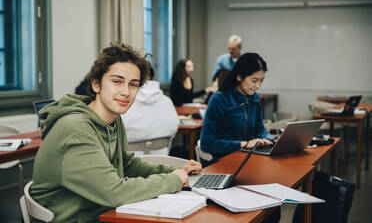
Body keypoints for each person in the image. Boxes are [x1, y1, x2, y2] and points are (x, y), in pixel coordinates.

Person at [30, 42, 201, 223]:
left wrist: (175, 171)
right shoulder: (76, 129)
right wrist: (173, 180)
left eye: (133, 85)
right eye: (117, 81)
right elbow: (115, 192)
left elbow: (126, 164)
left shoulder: (113, 119)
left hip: (100, 212)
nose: (126, 92)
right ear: (96, 85)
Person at [200, 52, 276, 166]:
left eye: (261, 80)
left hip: (246, 160)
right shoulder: (219, 99)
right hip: (221, 163)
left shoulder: (254, 98)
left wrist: (275, 140)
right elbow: (207, 143)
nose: (258, 86)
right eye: (254, 80)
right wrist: (244, 144)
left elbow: (260, 131)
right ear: (239, 76)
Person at [121, 67, 179, 155]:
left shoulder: (124, 102)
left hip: (129, 163)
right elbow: (174, 128)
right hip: (162, 161)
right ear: (152, 77)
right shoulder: (167, 102)